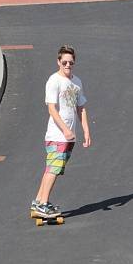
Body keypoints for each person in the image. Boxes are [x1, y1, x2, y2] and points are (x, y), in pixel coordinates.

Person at [31, 45, 92, 219]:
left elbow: (81, 108)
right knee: (54, 169)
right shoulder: (54, 81)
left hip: (69, 136)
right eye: (64, 62)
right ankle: (43, 205)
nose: (67, 65)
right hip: (57, 135)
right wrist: (65, 130)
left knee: (52, 168)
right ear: (58, 61)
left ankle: (38, 201)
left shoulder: (77, 82)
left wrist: (86, 131)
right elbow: (51, 109)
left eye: (70, 63)